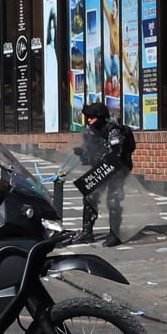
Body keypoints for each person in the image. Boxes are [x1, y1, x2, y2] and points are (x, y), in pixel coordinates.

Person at [71, 100, 134, 247]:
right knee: (89, 197)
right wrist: (83, 154)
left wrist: (100, 155)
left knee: (113, 200)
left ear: (99, 116)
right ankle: (87, 233)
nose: (88, 120)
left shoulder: (113, 131)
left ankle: (115, 235)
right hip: (102, 169)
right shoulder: (90, 132)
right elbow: (88, 159)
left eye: (91, 117)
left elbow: (116, 154)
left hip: (117, 169)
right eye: (87, 117)